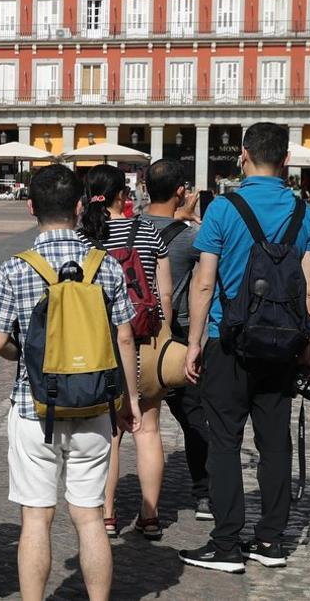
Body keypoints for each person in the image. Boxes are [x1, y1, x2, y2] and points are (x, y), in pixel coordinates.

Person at [0, 165, 140, 601]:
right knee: (90, 516)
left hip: (33, 406)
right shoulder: (105, 265)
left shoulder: (15, 268)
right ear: (79, 206)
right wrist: (128, 400)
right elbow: (125, 336)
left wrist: (30, 358)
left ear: (30, 207)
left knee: (36, 517)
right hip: (94, 405)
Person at [180, 122, 310, 573]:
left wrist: (195, 343)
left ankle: (225, 545)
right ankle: (272, 541)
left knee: (223, 440)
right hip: (281, 346)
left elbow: (204, 283)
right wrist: (307, 349)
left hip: (228, 340)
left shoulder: (223, 208)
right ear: (286, 160)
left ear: (243, 155)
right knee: (275, 443)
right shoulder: (305, 213)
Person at [77, 164, 173, 539]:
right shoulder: (149, 232)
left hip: (101, 345)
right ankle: (149, 516)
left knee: (111, 433)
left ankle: (107, 514)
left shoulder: (85, 239)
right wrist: (163, 335)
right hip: (146, 341)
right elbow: (163, 294)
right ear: (123, 195)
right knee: (148, 429)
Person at [141, 159, 212, 522]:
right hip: (176, 337)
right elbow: (215, 266)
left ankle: (107, 506)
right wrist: (194, 218)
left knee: (128, 421)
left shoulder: (129, 228)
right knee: (194, 415)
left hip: (132, 336)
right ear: (181, 192)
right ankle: (204, 493)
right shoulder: (188, 237)